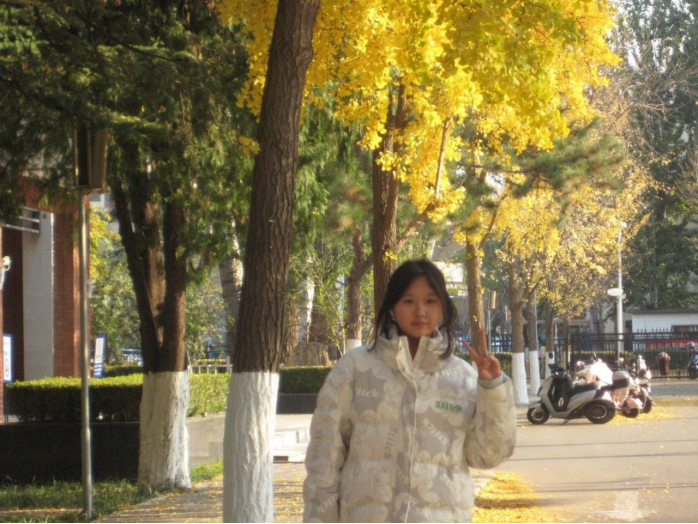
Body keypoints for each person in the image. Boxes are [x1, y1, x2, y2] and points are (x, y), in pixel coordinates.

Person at [303, 259, 517, 523]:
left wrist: (493, 388)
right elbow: (324, 459)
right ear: (393, 307)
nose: (420, 312)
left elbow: (487, 455)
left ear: (443, 307)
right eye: (408, 301)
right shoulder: (355, 370)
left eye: (430, 301)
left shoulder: (462, 379)